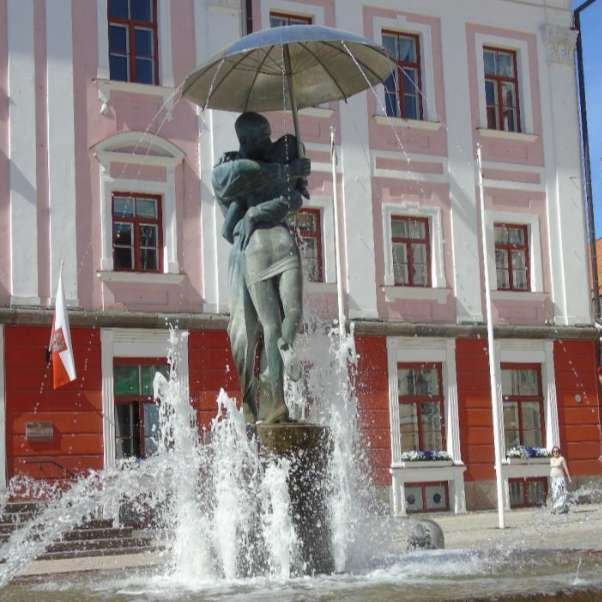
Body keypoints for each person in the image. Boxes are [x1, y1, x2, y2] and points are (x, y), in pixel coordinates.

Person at [212, 112, 310, 424]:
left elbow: (296, 198)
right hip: (244, 255)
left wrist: (294, 175)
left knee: (279, 323)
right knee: (243, 334)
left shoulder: (283, 150)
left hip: (273, 247)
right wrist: (284, 171)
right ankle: (249, 401)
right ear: (242, 140)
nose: (259, 143)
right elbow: (233, 185)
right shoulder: (228, 166)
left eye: (263, 136)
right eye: (252, 139)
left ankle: (274, 398)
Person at [550, 446, 572, 514]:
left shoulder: (562, 459)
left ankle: (560, 508)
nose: (555, 452)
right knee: (555, 493)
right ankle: (558, 507)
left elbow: (565, 468)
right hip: (554, 479)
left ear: (559, 452)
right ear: (552, 453)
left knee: (561, 493)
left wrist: (569, 477)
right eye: (554, 451)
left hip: (560, 479)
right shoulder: (551, 459)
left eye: (557, 451)